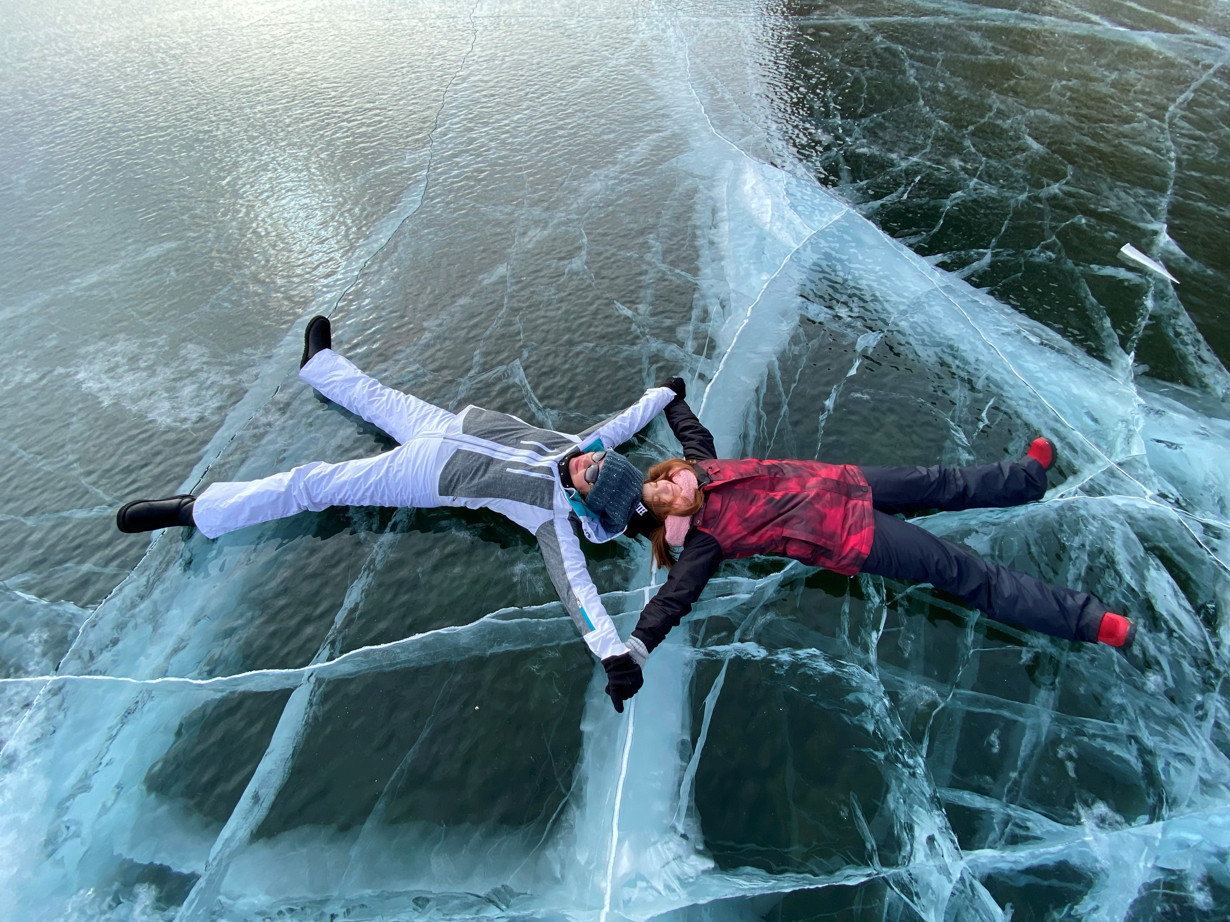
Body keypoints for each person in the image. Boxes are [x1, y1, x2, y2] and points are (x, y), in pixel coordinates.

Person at [116, 316, 681, 711]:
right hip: (449, 426)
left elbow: (577, 593)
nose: (590, 459)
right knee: (380, 398)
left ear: (587, 500)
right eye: (597, 459)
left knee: (317, 484)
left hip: (425, 474)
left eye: (594, 472)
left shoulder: (550, 517)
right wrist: (663, 394)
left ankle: (200, 511)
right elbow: (619, 425)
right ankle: (320, 364)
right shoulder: (580, 449)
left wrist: (611, 653)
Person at [605, 384, 1136, 710]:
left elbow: (690, 428)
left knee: (942, 482)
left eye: (664, 479)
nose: (672, 487)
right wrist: (637, 651)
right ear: (667, 516)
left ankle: (1026, 476)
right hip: (853, 534)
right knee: (962, 571)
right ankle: (1087, 621)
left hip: (851, 481)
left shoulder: (701, 466)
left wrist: (672, 397)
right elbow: (673, 599)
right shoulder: (704, 540)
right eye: (662, 497)